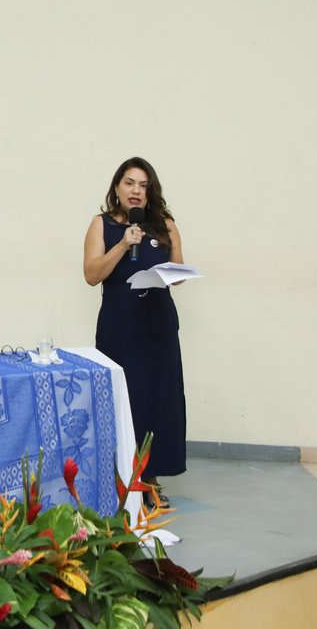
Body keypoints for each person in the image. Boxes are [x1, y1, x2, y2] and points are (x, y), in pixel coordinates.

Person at [83, 157, 185, 509]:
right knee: (124, 399)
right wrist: (124, 244)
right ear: (117, 187)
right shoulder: (102, 225)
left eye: (143, 185)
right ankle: (121, 480)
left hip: (158, 324)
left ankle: (150, 481)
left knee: (159, 400)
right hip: (120, 325)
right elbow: (92, 274)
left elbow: (178, 271)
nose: (136, 191)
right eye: (129, 183)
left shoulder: (165, 225)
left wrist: (173, 275)